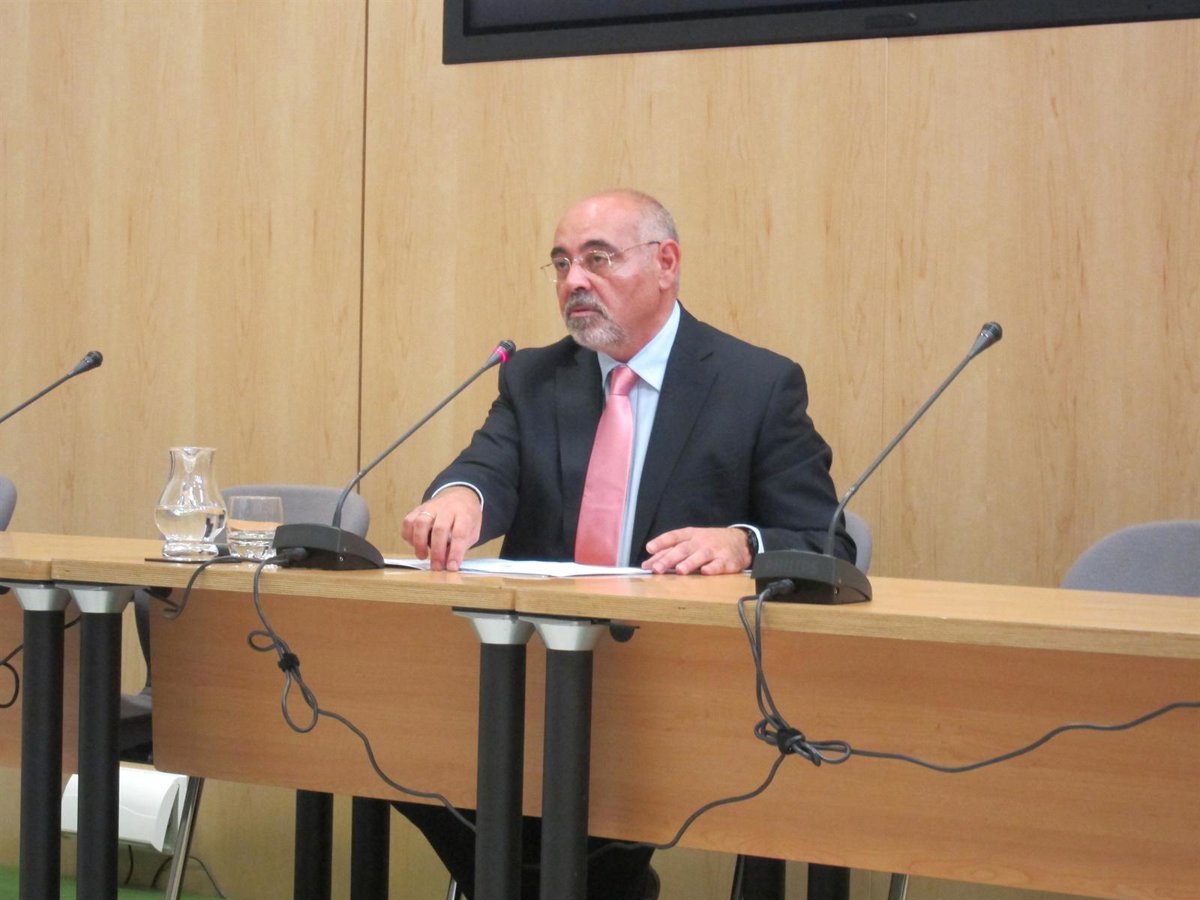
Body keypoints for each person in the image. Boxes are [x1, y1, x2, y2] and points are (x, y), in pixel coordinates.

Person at [395, 189, 853, 899]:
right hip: (534, 680)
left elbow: (827, 544)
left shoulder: (756, 385)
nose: (573, 281)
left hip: (677, 691)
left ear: (665, 263)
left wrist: (742, 543)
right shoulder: (533, 377)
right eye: (561, 264)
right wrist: (461, 497)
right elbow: (489, 468)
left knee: (554, 845)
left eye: (598, 259)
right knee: (399, 751)